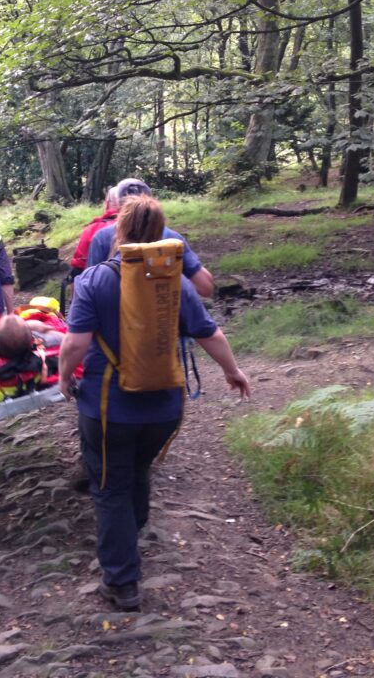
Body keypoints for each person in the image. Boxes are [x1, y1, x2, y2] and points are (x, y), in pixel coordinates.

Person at [57, 195, 250, 613]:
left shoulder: (94, 280)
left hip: (109, 408)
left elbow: (75, 343)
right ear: (162, 232)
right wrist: (233, 371)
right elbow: (209, 333)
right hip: (165, 409)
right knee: (138, 467)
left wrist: (61, 377)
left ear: (119, 232)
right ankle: (132, 531)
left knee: (109, 487)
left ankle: (122, 583)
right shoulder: (176, 281)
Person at [0, 314, 63, 484]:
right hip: (40, 384)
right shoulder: (47, 342)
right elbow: (62, 335)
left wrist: (0, 328)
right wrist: (34, 326)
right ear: (31, 338)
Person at [86, 179, 215, 297]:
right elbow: (206, 287)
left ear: (119, 206)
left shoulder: (102, 238)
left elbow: (89, 291)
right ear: (151, 203)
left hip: (118, 318)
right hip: (163, 316)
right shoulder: (173, 239)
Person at [70, 187, 120, 273]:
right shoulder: (145, 228)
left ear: (107, 203)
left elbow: (79, 263)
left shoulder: (92, 229)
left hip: (101, 281)